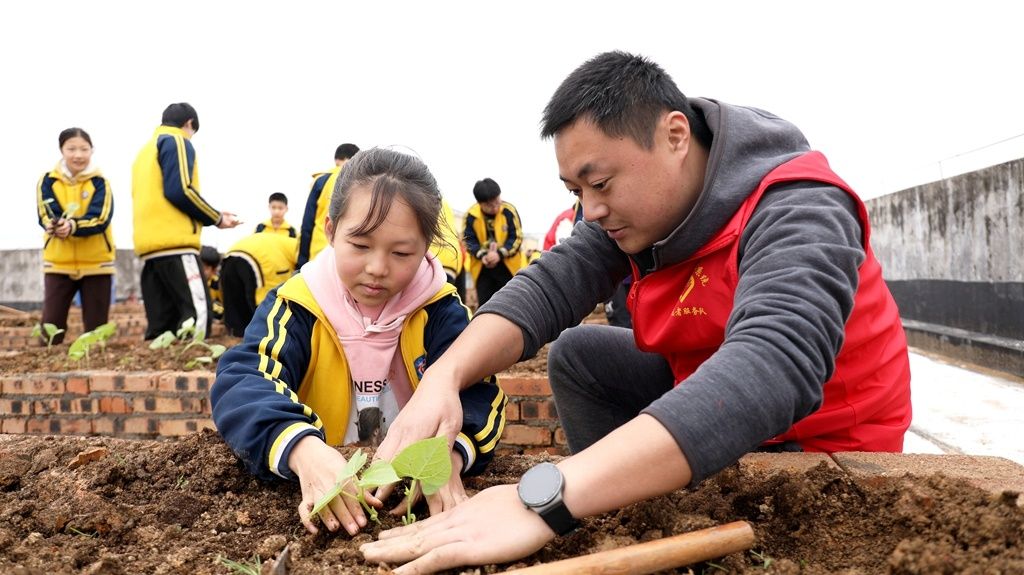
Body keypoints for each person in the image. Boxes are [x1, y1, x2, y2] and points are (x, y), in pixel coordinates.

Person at [360, 51, 912, 574]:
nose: (591, 209)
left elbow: (772, 367)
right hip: (701, 386)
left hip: (820, 436)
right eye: (576, 190)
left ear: (674, 136)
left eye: (599, 184)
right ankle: (625, 517)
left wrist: (547, 495)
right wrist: (445, 377)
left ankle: (597, 497)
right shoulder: (633, 214)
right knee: (581, 355)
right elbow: (550, 285)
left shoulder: (798, 205)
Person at [211, 148, 507, 538]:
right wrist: (303, 450)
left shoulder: (440, 311)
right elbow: (243, 381)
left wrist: (445, 458)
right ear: (331, 231)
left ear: (426, 248)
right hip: (322, 478)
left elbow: (480, 397)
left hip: (401, 492)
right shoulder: (298, 305)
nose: (377, 268)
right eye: (361, 245)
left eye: (402, 253)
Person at [131, 102, 241, 339]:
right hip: (176, 244)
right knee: (197, 318)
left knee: (162, 326)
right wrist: (217, 217)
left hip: (150, 248)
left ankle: (160, 374)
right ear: (189, 124)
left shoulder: (144, 152)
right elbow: (179, 190)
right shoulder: (177, 141)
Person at [35, 127, 115, 344]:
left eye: (84, 149)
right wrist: (54, 225)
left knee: (96, 330)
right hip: (58, 263)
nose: (78, 155)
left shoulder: (100, 183)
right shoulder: (47, 181)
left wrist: (72, 226)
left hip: (97, 263)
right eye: (71, 149)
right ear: (62, 150)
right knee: (51, 327)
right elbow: (45, 212)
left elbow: (100, 217)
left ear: (92, 151)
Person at [218, 231, 298, 336]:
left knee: (234, 298)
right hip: (262, 256)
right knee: (272, 302)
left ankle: (236, 333)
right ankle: (265, 335)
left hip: (233, 251)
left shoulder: (285, 242)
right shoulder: (300, 248)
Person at [462, 178, 523, 307]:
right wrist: (482, 254)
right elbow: (468, 241)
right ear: (480, 204)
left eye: (497, 201)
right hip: (482, 268)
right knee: (486, 305)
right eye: (489, 205)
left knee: (511, 304)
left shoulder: (509, 211)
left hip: (508, 268)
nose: (495, 207)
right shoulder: (470, 215)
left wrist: (499, 254)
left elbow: (516, 237)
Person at [296, 143, 360, 268]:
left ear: (337, 160)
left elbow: (307, 224)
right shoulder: (362, 183)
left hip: (318, 253)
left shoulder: (321, 181)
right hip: (350, 255)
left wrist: (302, 262)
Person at [199, 245, 224, 321]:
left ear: (215, 270)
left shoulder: (217, 284)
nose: (205, 272)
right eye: (202, 267)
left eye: (208, 268)